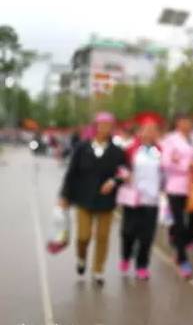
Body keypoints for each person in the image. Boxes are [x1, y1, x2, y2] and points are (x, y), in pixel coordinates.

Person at [59, 111, 127, 286]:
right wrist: (65, 195)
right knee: (84, 236)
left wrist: (114, 181)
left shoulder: (117, 151)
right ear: (95, 127)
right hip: (84, 198)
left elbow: (124, 171)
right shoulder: (82, 148)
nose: (104, 128)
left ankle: (98, 270)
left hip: (106, 200)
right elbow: (72, 172)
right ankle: (81, 258)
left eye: (108, 125)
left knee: (103, 237)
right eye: (101, 125)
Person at [117, 112, 164, 280]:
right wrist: (125, 174)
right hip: (133, 198)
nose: (149, 133)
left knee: (147, 235)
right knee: (128, 231)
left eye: (153, 130)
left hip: (151, 200)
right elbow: (120, 167)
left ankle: (142, 265)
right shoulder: (131, 149)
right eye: (146, 129)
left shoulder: (160, 151)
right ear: (140, 131)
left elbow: (165, 173)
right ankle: (125, 255)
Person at [161, 113, 193, 278]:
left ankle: (181, 241)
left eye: (189, 122)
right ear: (178, 123)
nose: (187, 124)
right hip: (176, 188)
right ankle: (182, 258)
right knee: (180, 224)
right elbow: (165, 163)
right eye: (184, 122)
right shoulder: (170, 140)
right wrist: (188, 165)